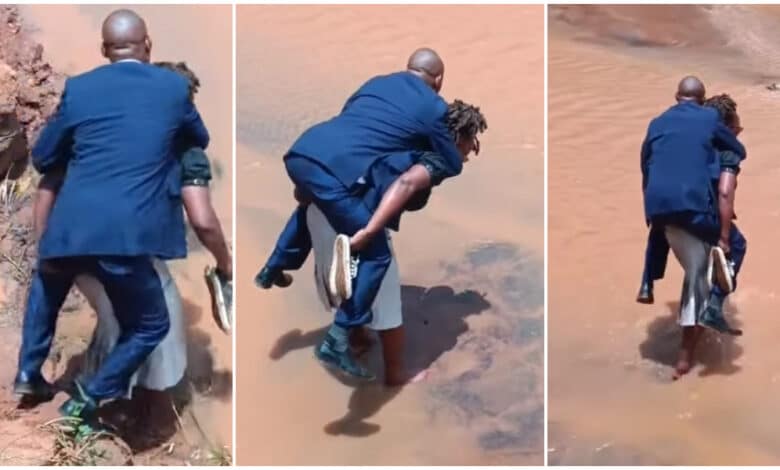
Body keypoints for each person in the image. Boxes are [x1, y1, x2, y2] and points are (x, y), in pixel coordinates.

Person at [13, 9, 209, 429]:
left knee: (46, 287)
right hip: (124, 236)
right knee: (152, 323)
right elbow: (199, 139)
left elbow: (45, 158)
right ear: (148, 44)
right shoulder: (174, 88)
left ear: (104, 49)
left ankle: (28, 374)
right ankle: (89, 396)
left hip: (68, 228)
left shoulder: (80, 88)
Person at [255, 48, 464, 380]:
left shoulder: (374, 83)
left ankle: (273, 268)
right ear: (439, 79)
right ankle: (340, 341)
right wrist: (451, 157)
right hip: (338, 180)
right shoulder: (434, 107)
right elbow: (444, 165)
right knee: (376, 256)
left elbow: (353, 129)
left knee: (312, 206)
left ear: (407, 68)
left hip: (304, 151)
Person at [305, 100, 486, 385]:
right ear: (458, 138)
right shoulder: (434, 159)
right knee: (388, 301)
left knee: (345, 279)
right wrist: (370, 231)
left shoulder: (393, 136)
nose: (471, 152)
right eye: (472, 142)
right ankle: (395, 374)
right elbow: (405, 185)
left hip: (320, 207)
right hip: (354, 219)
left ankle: (357, 338)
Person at [640, 76, 745, 379]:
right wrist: (724, 237)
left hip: (658, 208)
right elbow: (724, 192)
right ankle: (687, 354)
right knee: (713, 268)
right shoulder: (722, 148)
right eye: (736, 126)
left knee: (670, 243)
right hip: (694, 215)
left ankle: (647, 281)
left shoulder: (660, 123)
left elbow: (646, 164)